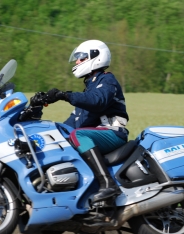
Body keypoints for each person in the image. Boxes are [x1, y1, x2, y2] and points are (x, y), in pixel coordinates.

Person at [25, 40, 129, 204]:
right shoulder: (88, 90)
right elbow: (68, 127)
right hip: (97, 135)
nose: (76, 62)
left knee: (78, 135)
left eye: (80, 57)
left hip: (113, 133)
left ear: (96, 56)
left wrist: (64, 95)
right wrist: (36, 109)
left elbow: (98, 101)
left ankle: (108, 183)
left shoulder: (107, 81)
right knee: (60, 135)